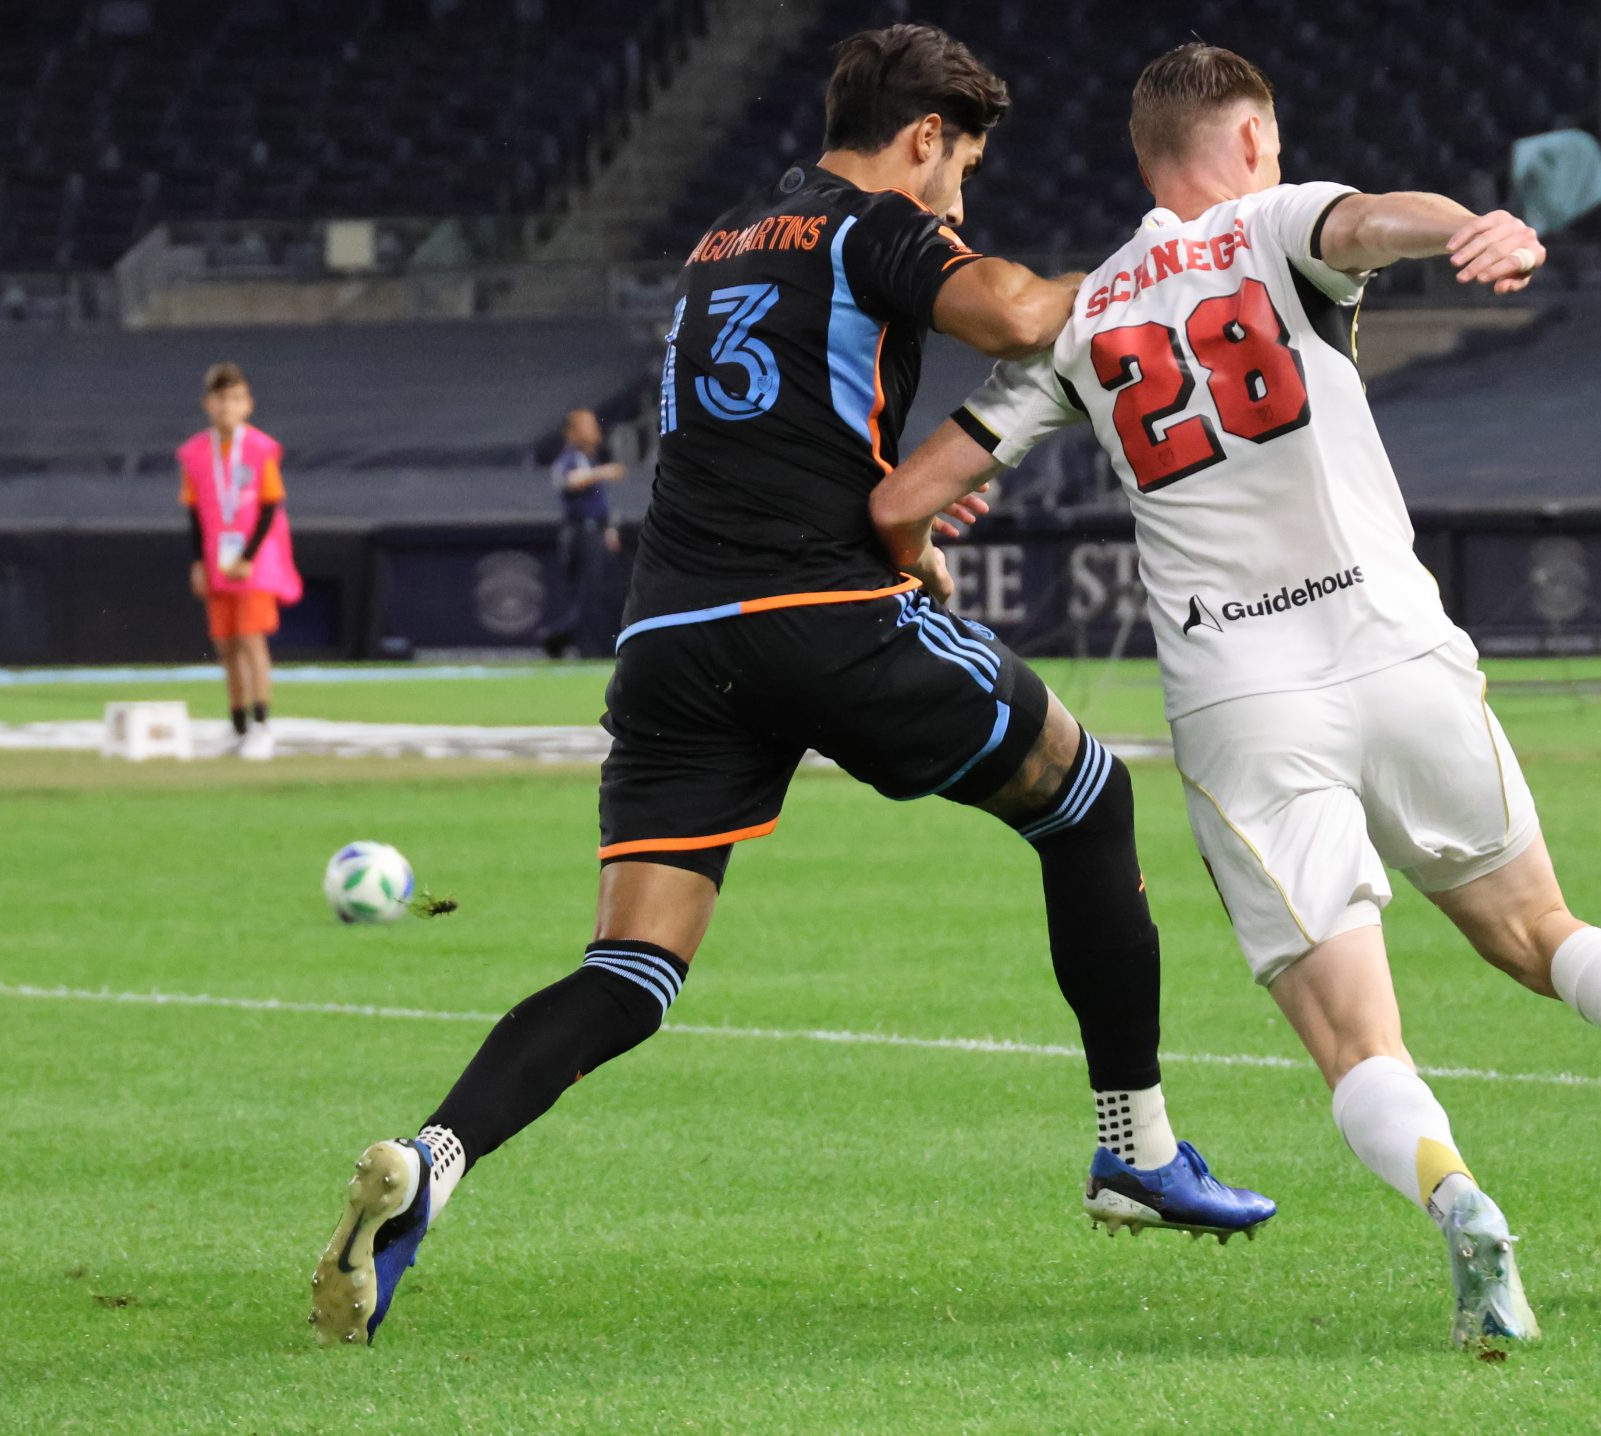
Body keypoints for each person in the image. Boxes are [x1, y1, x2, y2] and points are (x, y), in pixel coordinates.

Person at [869, 43, 1601, 1349]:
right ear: (1250, 143)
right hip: (1396, 648)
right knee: (1539, 930)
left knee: (1361, 1042)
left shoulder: (1080, 311)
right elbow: (1374, 223)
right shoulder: (1276, 220)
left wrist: (923, 544)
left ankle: (1461, 1201)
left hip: (1243, 702)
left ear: (1146, 162)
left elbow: (904, 499)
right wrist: (1475, 225)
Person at [310, 24, 1272, 1350]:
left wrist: (914, 536)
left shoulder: (719, 246)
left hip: (668, 639)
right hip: (810, 615)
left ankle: (433, 1160)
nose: (961, 204)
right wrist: (1167, 250)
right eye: (963, 172)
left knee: (632, 965)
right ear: (923, 138)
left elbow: (782, 440)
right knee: (1086, 795)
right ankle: (1137, 1148)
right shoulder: (871, 224)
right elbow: (1019, 312)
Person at [180, 362, 301, 761]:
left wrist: (249, 557)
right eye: (219, 399)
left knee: (252, 641)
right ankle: (236, 725)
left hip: (254, 561)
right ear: (207, 404)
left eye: (235, 398)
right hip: (218, 560)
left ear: (247, 404)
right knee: (225, 645)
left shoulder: (260, 448)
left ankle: (262, 724)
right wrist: (198, 561)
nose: (226, 407)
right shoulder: (196, 453)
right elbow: (195, 514)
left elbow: (269, 507)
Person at [541, 408, 627, 658]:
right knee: (588, 592)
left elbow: (601, 504)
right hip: (582, 532)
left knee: (602, 591)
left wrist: (608, 530)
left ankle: (569, 638)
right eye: (587, 425)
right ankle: (571, 641)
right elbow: (568, 480)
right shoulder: (572, 457)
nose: (595, 430)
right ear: (572, 431)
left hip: (596, 531)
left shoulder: (589, 458)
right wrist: (603, 472)